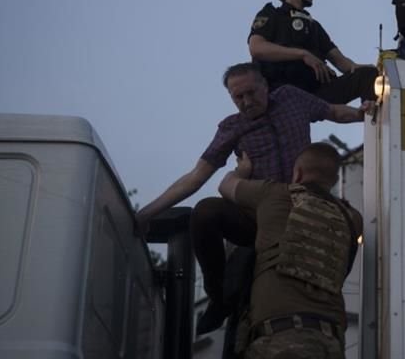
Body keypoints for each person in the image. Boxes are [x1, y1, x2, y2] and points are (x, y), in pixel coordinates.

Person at [134, 62, 366, 335]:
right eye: (238, 97)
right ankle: (218, 296)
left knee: (348, 222)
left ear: (265, 86)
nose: (246, 102)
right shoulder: (232, 127)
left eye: (251, 93)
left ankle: (330, 291)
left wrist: (363, 114)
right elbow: (196, 177)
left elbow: (333, 111)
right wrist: (146, 214)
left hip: (301, 206)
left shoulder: (291, 98)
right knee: (206, 211)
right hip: (257, 212)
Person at [219, 143, 362, 359]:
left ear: (298, 173)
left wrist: (241, 170)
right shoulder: (353, 218)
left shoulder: (275, 193)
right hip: (331, 342)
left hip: (283, 339)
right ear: (333, 181)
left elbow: (225, 185)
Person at [249, 0, 378, 103]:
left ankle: (370, 112)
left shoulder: (314, 26)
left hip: (316, 93)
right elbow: (256, 48)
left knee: (368, 75)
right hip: (283, 94)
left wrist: (370, 68)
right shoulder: (272, 15)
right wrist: (303, 54)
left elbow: (343, 64)